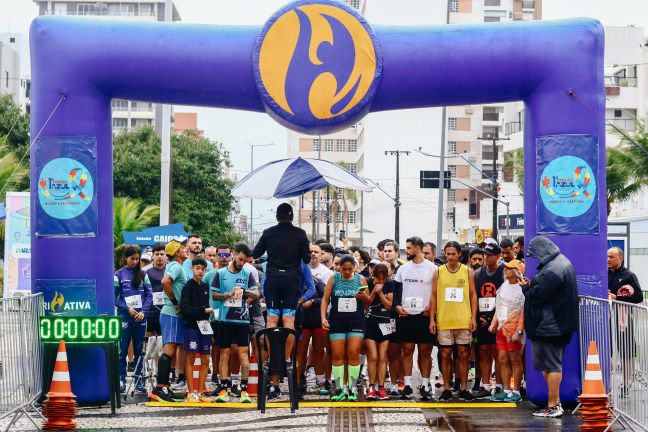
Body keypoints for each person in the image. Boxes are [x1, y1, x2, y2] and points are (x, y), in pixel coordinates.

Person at [523, 236, 578, 418]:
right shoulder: (560, 263)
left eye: (535, 254)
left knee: (552, 366)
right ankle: (555, 404)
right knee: (550, 365)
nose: (536, 258)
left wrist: (526, 288)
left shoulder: (553, 269)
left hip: (550, 325)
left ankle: (553, 406)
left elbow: (539, 295)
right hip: (555, 324)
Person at [251, 203, 310, 362]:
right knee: (289, 320)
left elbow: (255, 253)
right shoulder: (300, 234)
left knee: (272, 319)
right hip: (292, 280)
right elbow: (307, 258)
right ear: (292, 217)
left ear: (277, 216)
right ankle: (285, 359)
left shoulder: (268, 233)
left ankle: (273, 358)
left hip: (273, 279)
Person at [211, 243, 260, 403]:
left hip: (242, 321)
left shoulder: (247, 273)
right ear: (234, 254)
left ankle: (243, 389)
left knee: (243, 354)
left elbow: (257, 293)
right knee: (224, 354)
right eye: (240, 259)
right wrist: (227, 295)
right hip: (225, 320)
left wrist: (245, 292)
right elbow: (215, 295)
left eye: (244, 261)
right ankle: (224, 388)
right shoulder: (220, 273)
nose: (241, 263)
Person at [430, 241, 477, 402]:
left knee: (464, 354)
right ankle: (447, 388)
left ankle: (464, 388)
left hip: (463, 319)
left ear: (459, 255)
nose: (450, 257)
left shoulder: (467, 271)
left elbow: (472, 295)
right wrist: (432, 319)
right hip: (444, 320)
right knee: (445, 354)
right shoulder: (439, 272)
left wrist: (473, 317)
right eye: (447, 254)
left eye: (453, 254)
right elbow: (434, 296)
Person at [321, 254, 370, 402]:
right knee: (337, 355)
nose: (347, 272)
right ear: (339, 268)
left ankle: (353, 388)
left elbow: (368, 302)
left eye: (350, 269)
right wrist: (323, 318)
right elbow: (325, 299)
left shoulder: (360, 279)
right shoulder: (333, 279)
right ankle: (339, 388)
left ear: (354, 267)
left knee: (353, 353)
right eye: (344, 269)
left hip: (356, 321)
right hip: (337, 321)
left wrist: (362, 296)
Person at [394, 237, 437, 401]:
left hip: (424, 315)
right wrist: (397, 306)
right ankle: (406, 384)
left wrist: (433, 310)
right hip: (406, 314)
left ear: (417, 248)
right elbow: (396, 291)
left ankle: (425, 384)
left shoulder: (433, 269)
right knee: (407, 350)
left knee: (425, 352)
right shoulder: (402, 269)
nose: (407, 251)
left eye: (409, 248)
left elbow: (436, 293)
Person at [151, 239, 188, 402]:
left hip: (175, 314)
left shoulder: (178, 266)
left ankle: (165, 386)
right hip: (171, 312)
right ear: (176, 252)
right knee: (169, 350)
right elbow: (165, 282)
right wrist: (175, 303)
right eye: (183, 247)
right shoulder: (175, 265)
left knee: (171, 351)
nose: (186, 249)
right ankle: (160, 388)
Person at [114, 245, 152, 393]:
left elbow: (150, 295)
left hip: (141, 318)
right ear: (125, 258)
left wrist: (143, 311)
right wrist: (127, 308)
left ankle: (138, 381)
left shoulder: (143, 274)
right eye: (132, 259)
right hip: (125, 317)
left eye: (137, 259)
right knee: (122, 350)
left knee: (139, 351)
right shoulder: (118, 275)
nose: (135, 261)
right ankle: (121, 379)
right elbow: (114, 297)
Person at [489, 259, 526, 403]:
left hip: (515, 330)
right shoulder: (503, 286)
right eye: (505, 268)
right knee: (502, 359)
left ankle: (516, 391)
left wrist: (520, 330)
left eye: (509, 268)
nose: (506, 270)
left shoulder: (522, 288)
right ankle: (506, 390)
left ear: (517, 272)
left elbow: (524, 311)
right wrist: (494, 322)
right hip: (501, 329)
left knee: (515, 360)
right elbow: (499, 307)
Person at [607, 246, 643, 395]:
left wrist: (618, 297)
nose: (608, 260)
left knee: (626, 351)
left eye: (611, 257)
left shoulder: (629, 275)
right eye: (607, 257)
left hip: (624, 319)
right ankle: (605, 383)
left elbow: (639, 297)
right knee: (604, 349)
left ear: (620, 258)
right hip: (605, 316)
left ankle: (626, 384)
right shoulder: (603, 273)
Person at [179, 257, 213, 403]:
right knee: (191, 357)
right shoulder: (187, 286)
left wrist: (207, 312)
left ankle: (200, 391)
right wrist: (203, 310)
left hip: (205, 326)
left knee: (206, 358)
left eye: (202, 269)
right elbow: (184, 308)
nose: (200, 271)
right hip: (191, 326)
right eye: (197, 268)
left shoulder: (205, 286)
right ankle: (191, 392)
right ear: (191, 269)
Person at [473, 243, 504, 399]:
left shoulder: (503, 273)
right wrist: (478, 317)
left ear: (498, 256)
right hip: (482, 317)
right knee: (483, 352)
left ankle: (499, 385)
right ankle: (485, 385)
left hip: (498, 318)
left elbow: (505, 298)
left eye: (490, 255)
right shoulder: (478, 274)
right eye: (485, 254)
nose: (486, 257)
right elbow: (474, 297)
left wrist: (494, 318)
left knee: (497, 353)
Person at [363, 263, 394, 400]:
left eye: (383, 280)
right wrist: (374, 290)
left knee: (383, 356)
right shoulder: (366, 282)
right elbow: (366, 303)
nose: (380, 282)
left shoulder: (390, 284)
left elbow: (388, 305)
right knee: (373, 356)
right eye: (377, 279)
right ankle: (371, 386)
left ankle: (381, 387)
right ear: (373, 276)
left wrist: (380, 292)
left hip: (385, 323)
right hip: (370, 323)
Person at [145, 242, 167, 338]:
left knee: (164, 340)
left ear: (166, 256)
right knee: (149, 342)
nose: (159, 257)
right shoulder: (145, 271)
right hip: (150, 311)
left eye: (162, 254)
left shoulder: (171, 270)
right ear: (152, 256)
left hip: (167, 311)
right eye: (157, 254)